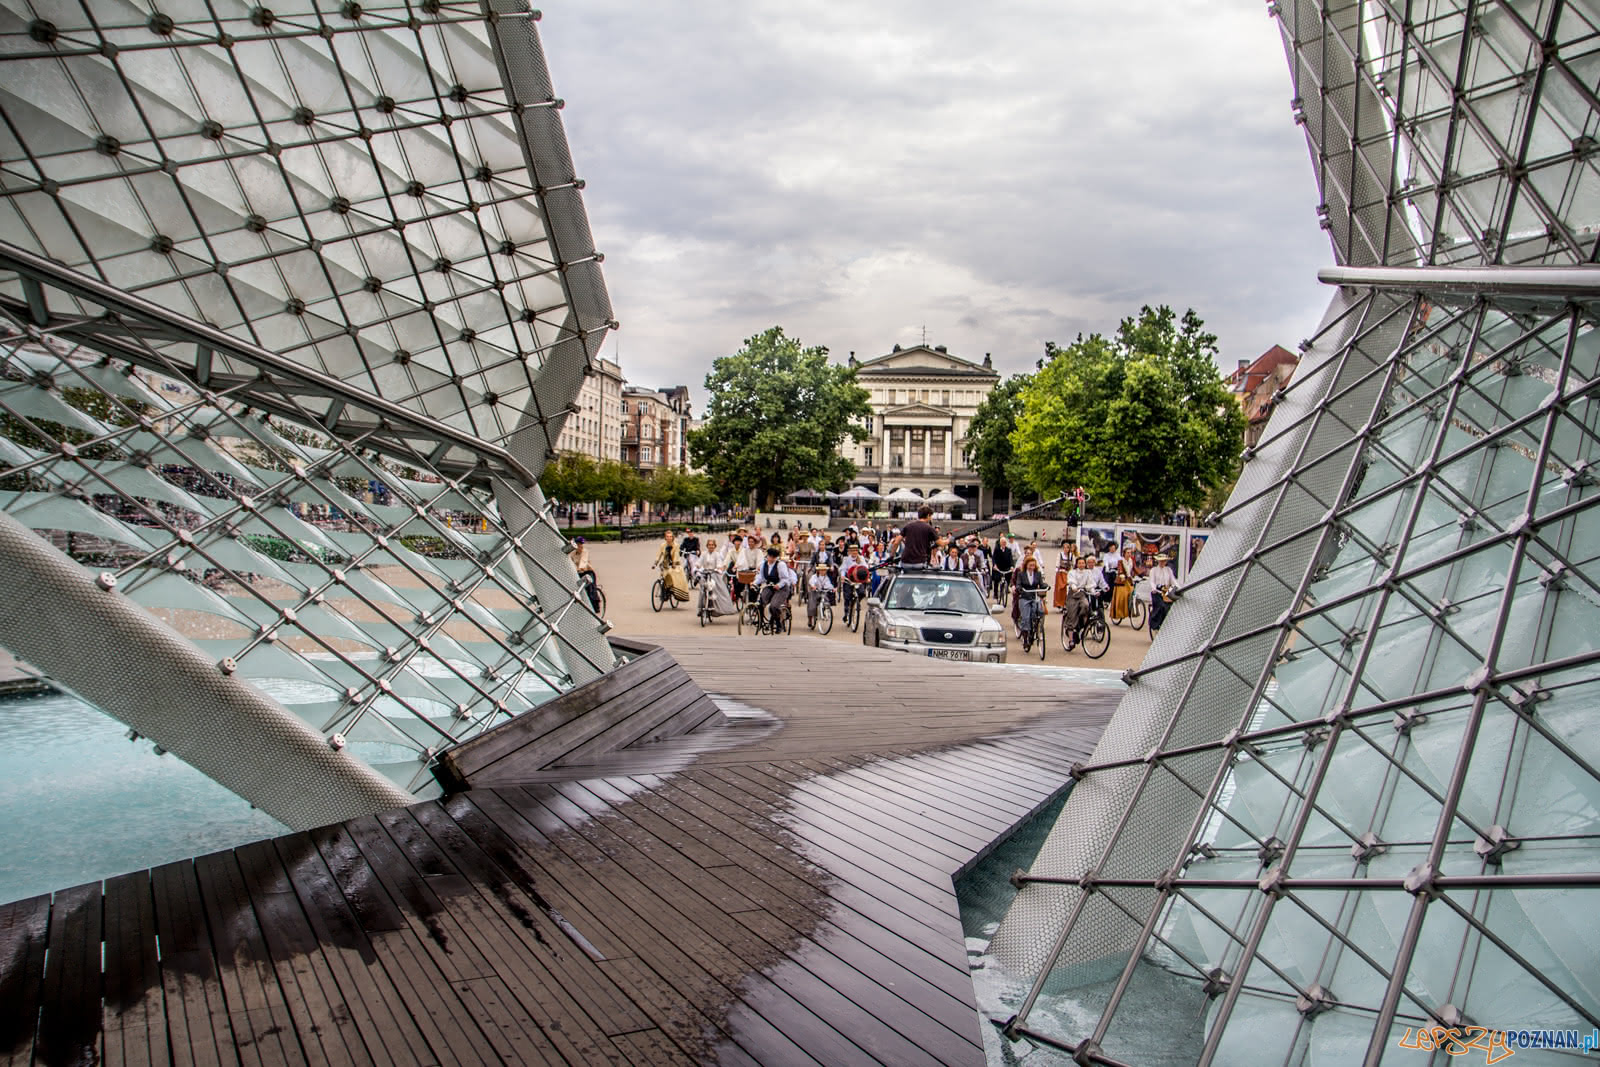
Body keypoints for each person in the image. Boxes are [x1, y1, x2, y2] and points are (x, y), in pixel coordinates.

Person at [756, 546, 797, 632]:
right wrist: (754, 582)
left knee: (773, 606)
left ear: (776, 557)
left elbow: (785, 579)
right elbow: (761, 577)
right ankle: (760, 621)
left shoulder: (780, 565)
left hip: (782, 588)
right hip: (770, 586)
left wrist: (779, 585)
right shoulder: (764, 564)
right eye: (769, 556)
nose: (770, 558)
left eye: (773, 557)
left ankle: (779, 623)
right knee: (760, 602)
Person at [1015, 556, 1048, 651]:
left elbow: (1041, 584)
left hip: (1034, 597)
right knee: (1025, 618)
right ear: (1026, 565)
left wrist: (1045, 586)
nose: (1031, 567)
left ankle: (1036, 629)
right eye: (1030, 565)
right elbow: (1018, 584)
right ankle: (1025, 639)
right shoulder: (1021, 574)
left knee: (1037, 612)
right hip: (1024, 597)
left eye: (1033, 565)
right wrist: (1019, 588)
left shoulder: (1037, 574)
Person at [654, 529, 690, 603]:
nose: (669, 538)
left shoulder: (676, 545)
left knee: (672, 575)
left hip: (675, 564)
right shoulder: (663, 545)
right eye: (667, 536)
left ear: (672, 537)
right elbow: (659, 555)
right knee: (663, 575)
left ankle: (672, 589)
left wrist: (674, 563)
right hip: (665, 563)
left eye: (670, 536)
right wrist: (655, 563)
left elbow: (676, 555)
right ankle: (664, 591)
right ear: (665, 537)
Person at [1148, 552, 1178, 635]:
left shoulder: (1168, 570)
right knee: (1160, 606)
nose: (1162, 563)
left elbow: (1173, 580)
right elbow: (1152, 581)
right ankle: (1155, 626)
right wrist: (1154, 588)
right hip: (1157, 591)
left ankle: (1167, 626)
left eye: (1164, 561)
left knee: (1169, 608)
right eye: (1161, 561)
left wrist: (1178, 587)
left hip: (1166, 590)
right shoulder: (1153, 570)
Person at [570, 536, 600, 612]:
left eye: (582, 544)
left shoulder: (584, 551)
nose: (581, 546)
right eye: (579, 544)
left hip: (588, 572)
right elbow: (570, 561)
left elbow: (583, 561)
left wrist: (580, 568)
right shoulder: (573, 553)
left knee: (590, 590)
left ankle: (595, 608)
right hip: (578, 573)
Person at [805, 563, 835, 629]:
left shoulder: (826, 577)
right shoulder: (814, 576)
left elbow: (828, 584)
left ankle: (825, 611)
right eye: (821, 570)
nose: (822, 571)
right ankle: (810, 619)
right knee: (811, 606)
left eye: (824, 570)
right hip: (815, 592)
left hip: (823, 592)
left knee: (826, 601)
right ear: (818, 571)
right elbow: (811, 582)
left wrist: (832, 589)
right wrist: (813, 586)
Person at [991, 535, 1015, 604]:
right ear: (1000, 543)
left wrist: (1012, 566)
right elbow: (994, 558)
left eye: (1005, 542)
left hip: (1006, 567)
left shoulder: (1008, 550)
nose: (1004, 543)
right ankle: (995, 594)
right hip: (998, 567)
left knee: (1008, 575)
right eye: (1002, 542)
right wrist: (994, 565)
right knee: (996, 580)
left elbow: (1011, 559)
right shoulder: (997, 549)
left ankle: (1006, 586)